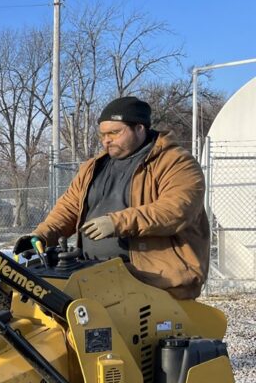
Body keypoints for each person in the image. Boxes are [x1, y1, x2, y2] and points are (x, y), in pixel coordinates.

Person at [16, 96, 210, 300]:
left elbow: (176, 209)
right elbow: (69, 208)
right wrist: (42, 236)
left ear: (139, 128)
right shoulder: (94, 167)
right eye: (103, 135)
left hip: (154, 281)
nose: (106, 140)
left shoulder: (176, 162)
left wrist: (116, 222)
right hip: (95, 274)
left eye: (114, 133)